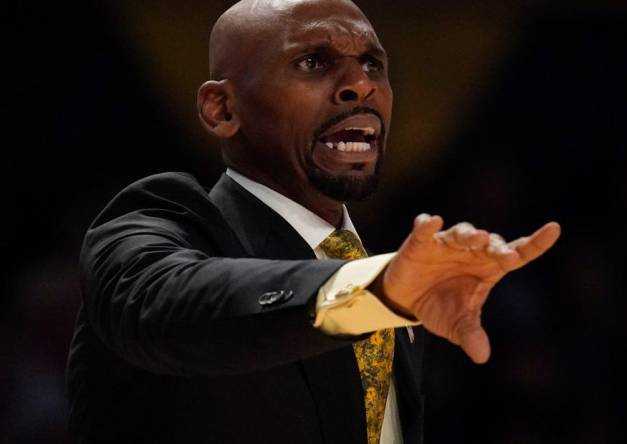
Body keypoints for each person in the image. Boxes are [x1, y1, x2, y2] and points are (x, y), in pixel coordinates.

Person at [65, 0, 561, 443]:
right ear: (221, 108)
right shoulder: (162, 222)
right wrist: (375, 291)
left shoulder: (383, 270)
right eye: (312, 62)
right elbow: (166, 302)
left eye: (372, 64)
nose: (362, 84)